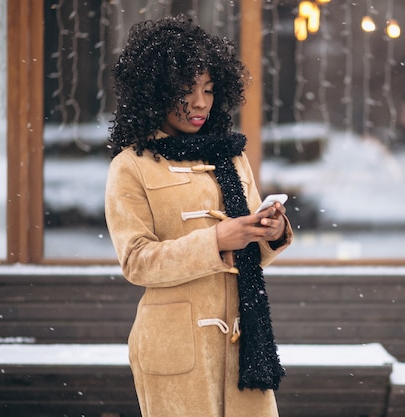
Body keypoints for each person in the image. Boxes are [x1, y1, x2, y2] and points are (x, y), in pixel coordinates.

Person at [104, 15, 292, 417]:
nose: (201, 102)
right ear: (154, 93)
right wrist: (215, 242)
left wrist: (269, 231)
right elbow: (136, 261)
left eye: (208, 89)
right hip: (174, 351)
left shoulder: (231, 155)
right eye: (186, 91)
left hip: (245, 349)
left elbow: (250, 257)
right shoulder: (131, 165)